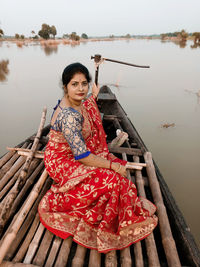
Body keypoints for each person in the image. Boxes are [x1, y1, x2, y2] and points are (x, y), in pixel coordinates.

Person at [38, 63, 157, 253]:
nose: (80, 89)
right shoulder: (68, 116)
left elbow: (87, 104)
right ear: (65, 86)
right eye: (74, 84)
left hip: (76, 153)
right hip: (62, 161)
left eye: (84, 84)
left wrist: (93, 95)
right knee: (114, 181)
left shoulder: (80, 102)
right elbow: (83, 155)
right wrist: (111, 165)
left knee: (118, 178)